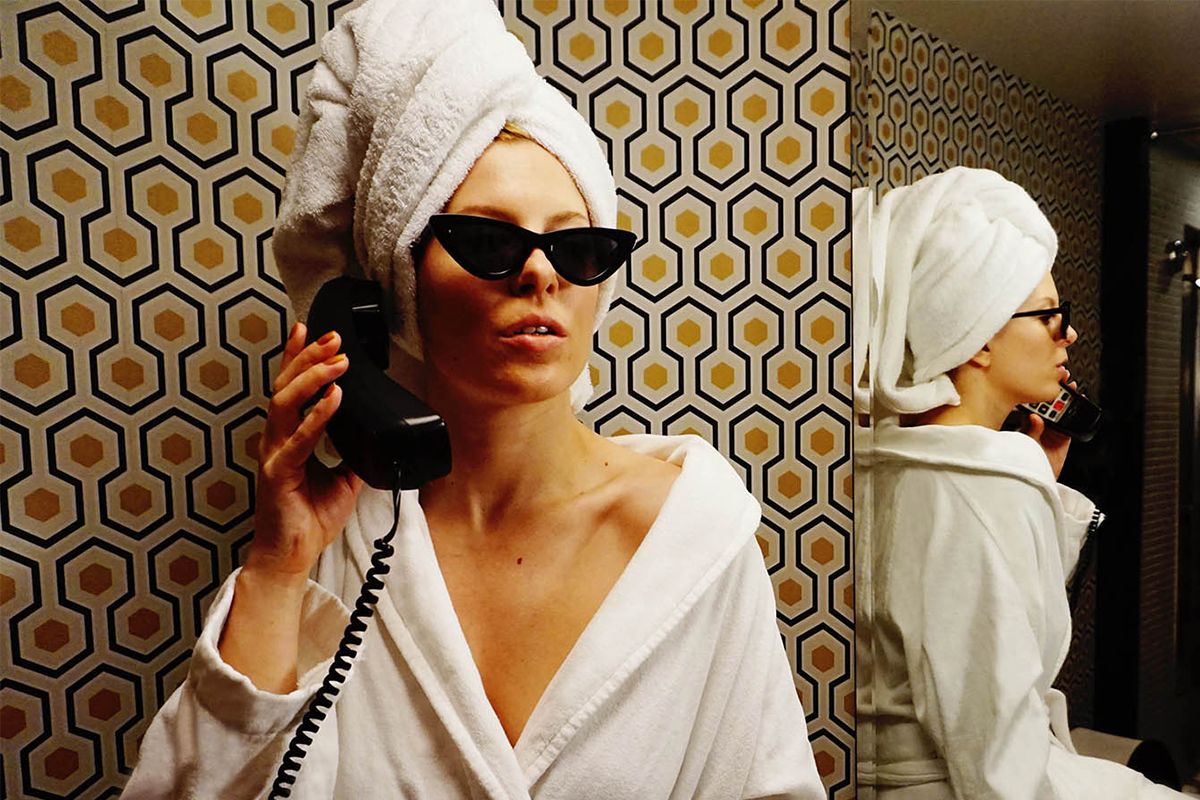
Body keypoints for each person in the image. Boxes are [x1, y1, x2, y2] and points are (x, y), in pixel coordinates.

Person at [120, 1, 825, 798]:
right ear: (397, 281)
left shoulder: (691, 536)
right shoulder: (333, 551)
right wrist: (278, 570)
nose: (540, 275)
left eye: (578, 246)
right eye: (489, 241)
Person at [858, 166, 1183, 799]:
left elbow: (992, 630)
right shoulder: (969, 484)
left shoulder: (903, 463)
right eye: (1050, 317)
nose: (1071, 335)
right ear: (977, 337)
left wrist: (1041, 479)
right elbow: (996, 748)